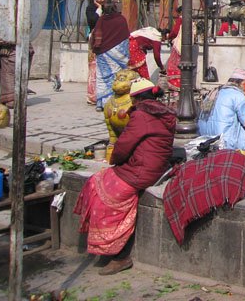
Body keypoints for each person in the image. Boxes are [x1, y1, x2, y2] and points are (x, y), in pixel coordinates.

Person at [74, 77, 176, 275]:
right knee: (97, 180)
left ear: (136, 99)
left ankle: (119, 256)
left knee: (107, 195)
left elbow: (123, 146)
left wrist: (114, 159)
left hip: (140, 171)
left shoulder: (141, 115)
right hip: (149, 167)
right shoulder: (163, 113)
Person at [197, 68, 245, 150]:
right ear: (243, 83)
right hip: (224, 141)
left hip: (204, 137)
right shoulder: (239, 96)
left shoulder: (214, 92)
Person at [92, 2, 131, 112]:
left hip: (103, 53)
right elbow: (125, 39)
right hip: (118, 55)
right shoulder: (121, 20)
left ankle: (100, 103)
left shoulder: (101, 20)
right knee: (116, 77)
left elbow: (96, 36)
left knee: (102, 78)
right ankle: (113, 103)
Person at [85, 0, 106, 105]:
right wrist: (99, 9)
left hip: (105, 41)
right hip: (94, 40)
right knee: (93, 68)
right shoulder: (90, 9)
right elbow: (93, 21)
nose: (102, 0)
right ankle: (92, 96)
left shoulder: (107, 8)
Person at [163, 5, 182, 92]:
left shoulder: (180, 20)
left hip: (179, 45)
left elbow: (175, 32)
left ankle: (175, 84)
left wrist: (169, 36)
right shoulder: (191, 21)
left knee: (173, 65)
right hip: (187, 46)